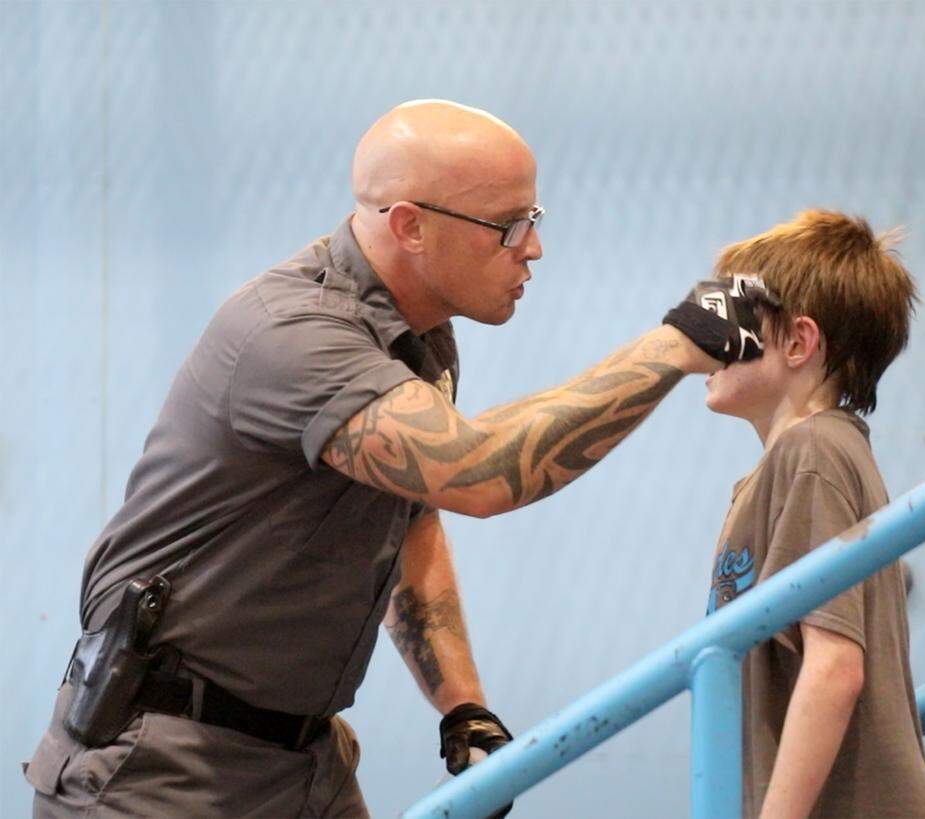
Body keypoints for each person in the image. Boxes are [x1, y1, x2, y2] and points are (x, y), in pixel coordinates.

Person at [24, 99, 760, 817]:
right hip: (161, 771)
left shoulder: (421, 337)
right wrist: (672, 347)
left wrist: (463, 707)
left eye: (532, 220)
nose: (531, 247)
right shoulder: (296, 335)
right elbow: (476, 472)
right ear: (409, 225)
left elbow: (412, 520)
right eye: (508, 226)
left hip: (301, 759)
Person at [703, 210, 925, 818]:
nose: (707, 343)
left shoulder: (814, 453)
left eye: (731, 325)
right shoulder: (802, 459)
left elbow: (834, 666)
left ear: (799, 343)